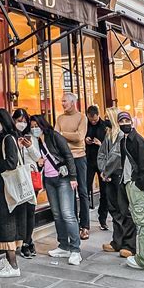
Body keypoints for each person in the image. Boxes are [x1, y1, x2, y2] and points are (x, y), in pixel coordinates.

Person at [31, 114, 81, 266]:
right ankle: (63, 245)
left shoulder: (54, 136)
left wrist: (73, 177)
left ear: (43, 125)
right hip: (49, 180)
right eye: (32, 126)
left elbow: (68, 155)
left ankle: (75, 250)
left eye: (36, 126)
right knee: (57, 214)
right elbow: (41, 161)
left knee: (68, 214)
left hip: (63, 179)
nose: (34, 129)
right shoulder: (38, 141)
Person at [0, 108, 26, 278]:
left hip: (6, 189)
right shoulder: (2, 139)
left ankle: (13, 265)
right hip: (1, 187)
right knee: (3, 222)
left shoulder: (8, 139)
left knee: (7, 223)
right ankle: (7, 259)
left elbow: (11, 163)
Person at [119, 111, 144, 270]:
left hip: (136, 184)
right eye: (121, 121)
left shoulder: (137, 140)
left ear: (132, 121)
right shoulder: (125, 140)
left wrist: (139, 186)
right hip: (131, 183)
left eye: (126, 120)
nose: (124, 123)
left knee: (142, 223)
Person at [97, 107, 136, 259]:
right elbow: (102, 154)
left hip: (119, 174)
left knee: (124, 209)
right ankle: (117, 241)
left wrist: (105, 171)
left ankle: (128, 244)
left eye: (107, 116)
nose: (105, 118)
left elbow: (116, 156)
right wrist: (103, 171)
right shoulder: (109, 135)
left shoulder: (121, 135)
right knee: (114, 209)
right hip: (109, 175)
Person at [55, 92, 89, 239]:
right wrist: (68, 135)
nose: (62, 104)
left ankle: (85, 226)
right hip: (64, 159)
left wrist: (62, 134)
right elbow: (56, 136)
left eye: (64, 101)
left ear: (72, 102)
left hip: (79, 157)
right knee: (69, 193)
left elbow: (80, 137)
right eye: (62, 101)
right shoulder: (60, 118)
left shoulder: (82, 117)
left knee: (82, 191)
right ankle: (73, 225)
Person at [12, 108, 41, 258]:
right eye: (19, 121)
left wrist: (28, 146)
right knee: (21, 212)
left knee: (30, 211)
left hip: (31, 176)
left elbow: (38, 157)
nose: (22, 124)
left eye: (24, 121)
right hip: (18, 178)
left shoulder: (32, 137)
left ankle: (28, 241)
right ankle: (22, 241)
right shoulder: (11, 137)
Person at [85, 105, 108, 230]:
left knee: (104, 191)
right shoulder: (85, 125)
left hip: (102, 161)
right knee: (85, 189)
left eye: (95, 119)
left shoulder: (105, 126)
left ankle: (103, 218)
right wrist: (86, 140)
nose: (93, 121)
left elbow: (109, 143)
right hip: (89, 160)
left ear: (98, 115)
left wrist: (101, 144)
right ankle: (84, 221)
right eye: (91, 119)